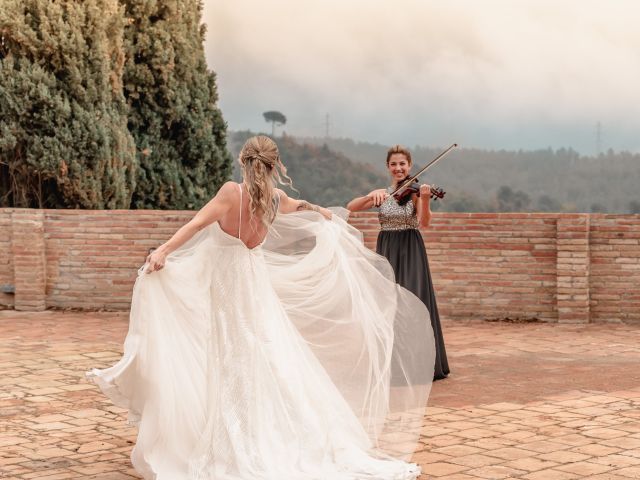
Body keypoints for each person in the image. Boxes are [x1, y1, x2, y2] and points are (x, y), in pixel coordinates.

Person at [88, 135, 435, 479]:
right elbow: (302, 207)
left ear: (243, 161)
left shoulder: (230, 193)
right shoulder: (275, 198)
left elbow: (195, 224)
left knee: (233, 356)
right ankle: (272, 427)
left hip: (227, 290)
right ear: (274, 166)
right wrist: (325, 215)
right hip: (255, 286)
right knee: (266, 354)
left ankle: (239, 432)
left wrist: (162, 250)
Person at [347, 144, 450, 381]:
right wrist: (371, 195)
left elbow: (424, 222)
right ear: (388, 167)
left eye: (402, 164)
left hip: (410, 247)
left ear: (409, 165)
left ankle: (420, 364)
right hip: (387, 248)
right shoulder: (383, 194)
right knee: (388, 303)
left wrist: (425, 199)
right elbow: (351, 207)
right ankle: (393, 364)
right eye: (393, 164)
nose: (398, 168)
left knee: (415, 299)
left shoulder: (415, 191)